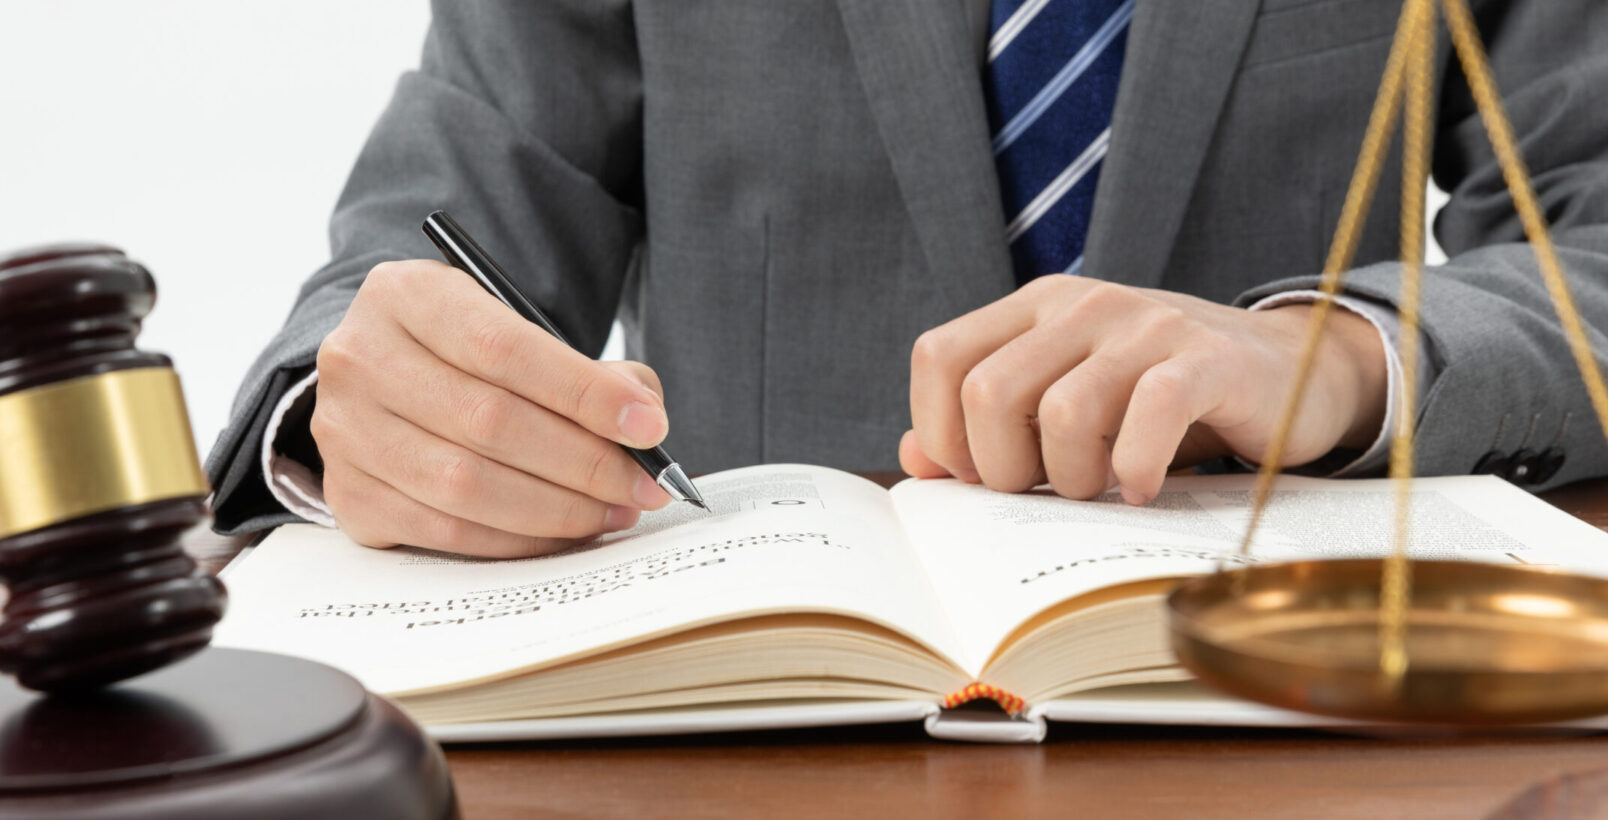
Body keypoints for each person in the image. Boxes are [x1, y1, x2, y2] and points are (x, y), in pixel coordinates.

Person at [205, 0, 1608, 558]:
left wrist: (1344, 357)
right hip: (740, 720)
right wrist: (347, 420)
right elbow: (426, 238)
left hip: (1292, 710)